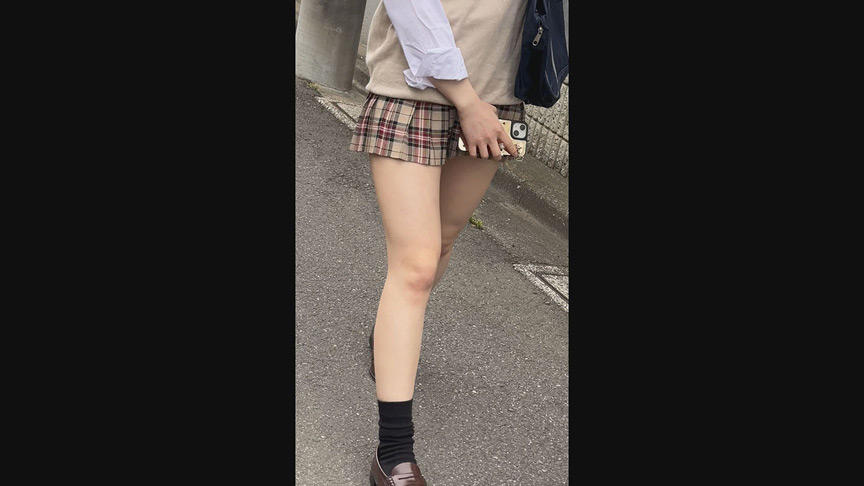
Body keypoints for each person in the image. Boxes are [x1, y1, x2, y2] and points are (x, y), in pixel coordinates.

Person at [349, 1, 528, 484]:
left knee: (444, 241)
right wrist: (465, 100)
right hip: (413, 88)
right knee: (416, 265)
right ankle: (394, 453)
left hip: (496, 96)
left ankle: (386, 338)